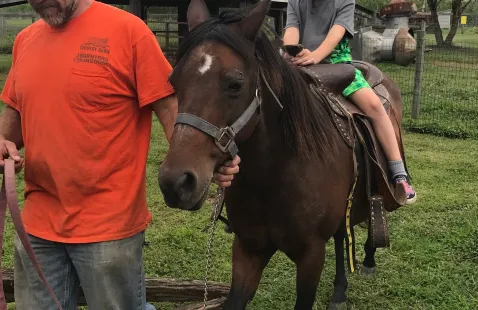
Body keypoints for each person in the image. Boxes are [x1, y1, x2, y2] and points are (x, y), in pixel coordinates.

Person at [0, 0, 240, 308]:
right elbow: (16, 107)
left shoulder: (129, 32)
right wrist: (4, 139)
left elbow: (170, 109)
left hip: (108, 228)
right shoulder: (25, 39)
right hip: (36, 223)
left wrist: (203, 162)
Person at [283, 0, 416, 204]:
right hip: (300, 62)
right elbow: (291, 28)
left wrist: (316, 56)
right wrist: (291, 51)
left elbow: (336, 34)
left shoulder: (344, 1)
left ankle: (399, 173)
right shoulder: (295, 1)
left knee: (374, 107)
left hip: (337, 63)